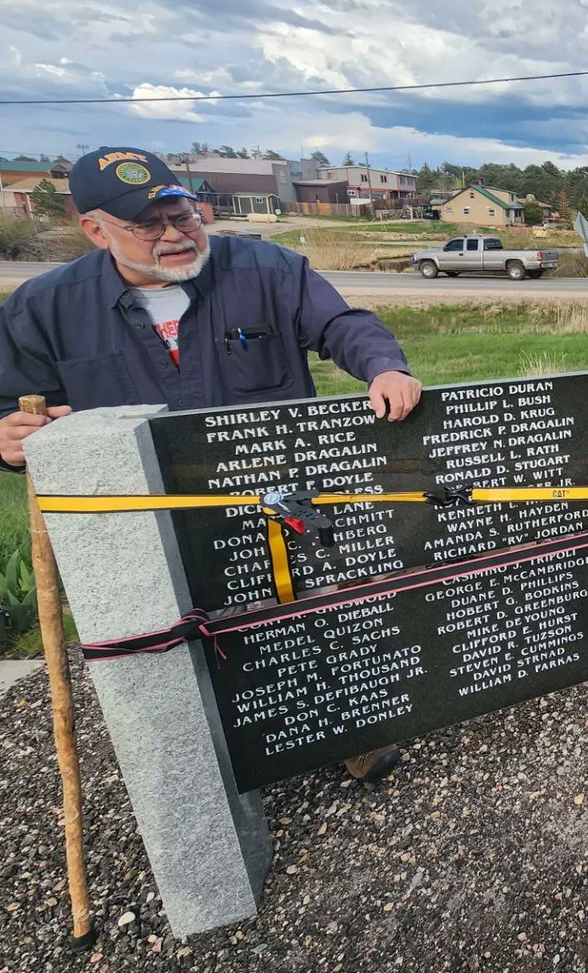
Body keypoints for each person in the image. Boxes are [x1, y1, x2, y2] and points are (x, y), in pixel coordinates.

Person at [0, 146, 422, 784]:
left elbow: (341, 322)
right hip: (140, 520)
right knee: (172, 647)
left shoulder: (267, 268)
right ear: (94, 229)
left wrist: (384, 365)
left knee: (313, 620)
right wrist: (8, 437)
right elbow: (13, 408)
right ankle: (197, 772)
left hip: (275, 498)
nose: (174, 236)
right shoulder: (44, 307)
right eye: (148, 226)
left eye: (185, 216)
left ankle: (347, 735)